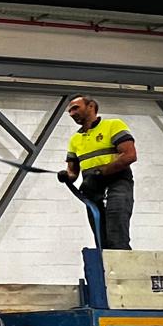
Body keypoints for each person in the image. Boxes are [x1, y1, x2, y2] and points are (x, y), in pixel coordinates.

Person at [57, 94, 137, 250]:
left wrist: (100, 173)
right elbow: (73, 171)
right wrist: (66, 176)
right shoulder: (75, 139)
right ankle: (105, 265)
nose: (72, 113)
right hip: (92, 188)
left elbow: (129, 155)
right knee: (101, 238)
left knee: (116, 232)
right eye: (70, 111)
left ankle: (121, 263)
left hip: (117, 183)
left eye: (75, 108)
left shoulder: (113, 125)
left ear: (91, 106)